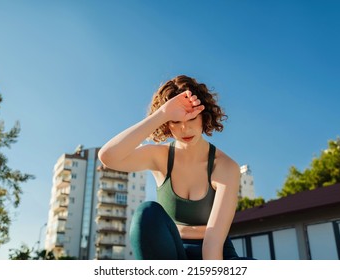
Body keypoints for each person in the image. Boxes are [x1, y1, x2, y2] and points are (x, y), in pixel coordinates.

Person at [98, 75, 240, 260]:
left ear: (204, 117)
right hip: (169, 252)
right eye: (176, 121)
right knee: (146, 213)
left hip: (215, 252)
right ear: (167, 125)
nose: (184, 129)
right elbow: (108, 156)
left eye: (191, 119)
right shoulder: (160, 157)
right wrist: (162, 114)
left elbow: (212, 245)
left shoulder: (225, 167)